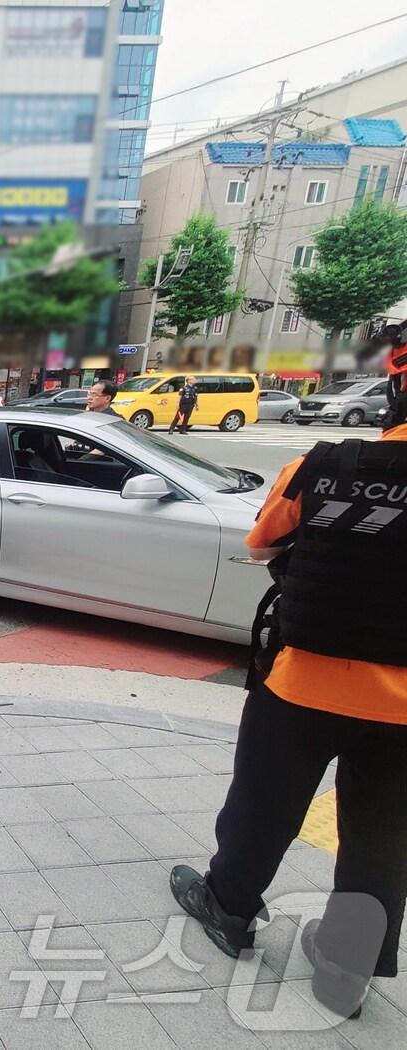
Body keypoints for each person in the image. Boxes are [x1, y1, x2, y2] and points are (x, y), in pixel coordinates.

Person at [170, 344, 407, 1018]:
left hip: (305, 685)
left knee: (264, 806)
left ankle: (228, 906)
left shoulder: (327, 465)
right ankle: (344, 973)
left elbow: (262, 543)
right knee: (384, 838)